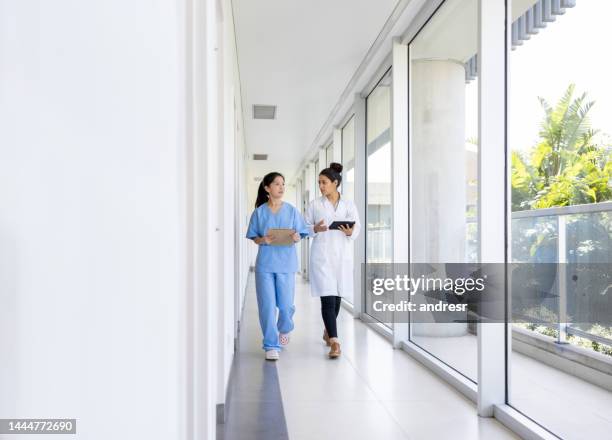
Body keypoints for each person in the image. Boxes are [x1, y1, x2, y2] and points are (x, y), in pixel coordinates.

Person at [246, 172, 309, 360]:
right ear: (267, 188)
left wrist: (298, 236)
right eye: (276, 184)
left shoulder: (291, 210)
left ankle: (285, 328)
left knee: (286, 305)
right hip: (265, 265)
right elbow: (253, 237)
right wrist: (263, 239)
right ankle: (271, 345)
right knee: (267, 306)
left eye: (283, 184)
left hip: (286, 264)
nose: (281, 188)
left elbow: (302, 232)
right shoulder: (259, 212)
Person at [305, 162, 361, 358]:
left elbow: (357, 228)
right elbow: (305, 228)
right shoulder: (315, 205)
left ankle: (328, 331)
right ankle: (335, 343)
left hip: (342, 257)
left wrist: (349, 232)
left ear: (335, 183)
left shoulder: (348, 205)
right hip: (322, 258)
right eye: (319, 182)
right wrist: (315, 229)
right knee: (327, 299)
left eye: (324, 182)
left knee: (337, 297)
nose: (321, 186)